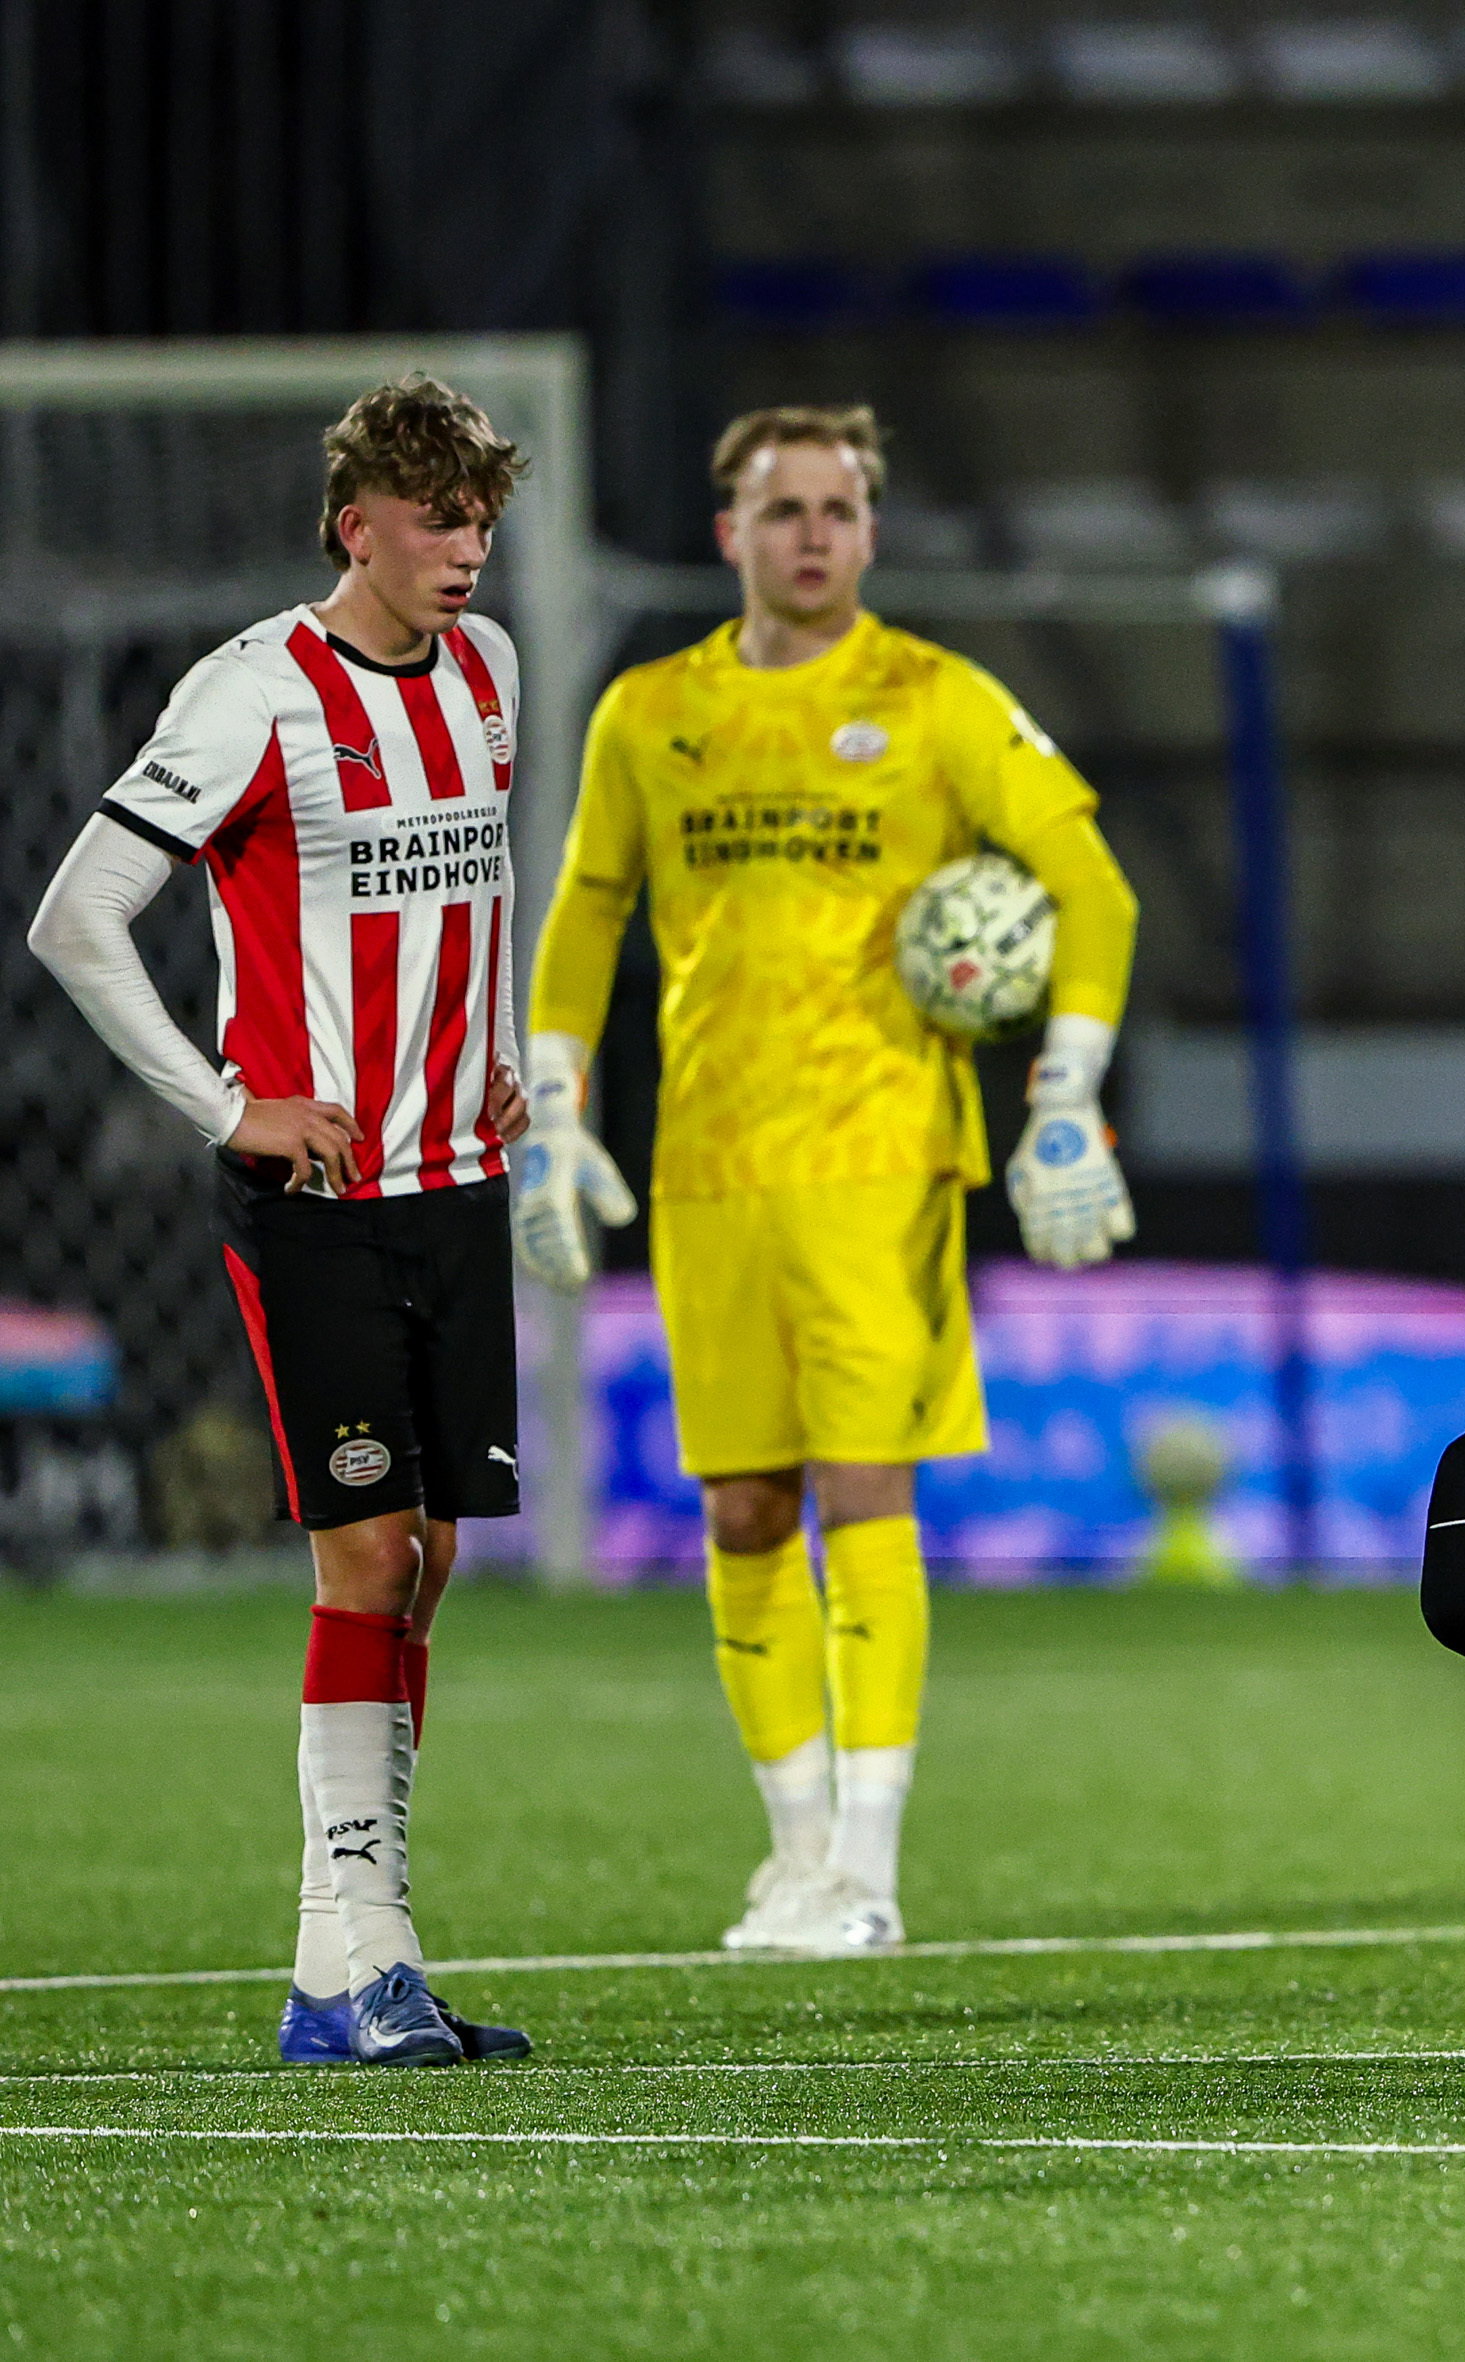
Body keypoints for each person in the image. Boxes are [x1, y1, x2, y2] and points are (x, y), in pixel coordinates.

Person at [516, 404, 1140, 1953]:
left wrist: (1065, 1095)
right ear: (728, 532)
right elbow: (586, 908)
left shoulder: (936, 698)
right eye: (783, 508)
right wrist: (553, 1105)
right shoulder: (650, 711)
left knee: (865, 1487)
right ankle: (793, 1854)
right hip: (709, 1164)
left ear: (869, 531)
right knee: (741, 1506)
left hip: (881, 1158)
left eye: (839, 509)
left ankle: (868, 1864)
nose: (812, 533)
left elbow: (1094, 890)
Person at [26, 374, 538, 2067]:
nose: (467, 548)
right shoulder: (253, 692)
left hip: (454, 1178)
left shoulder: (488, 671)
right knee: (369, 1554)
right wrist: (226, 1104)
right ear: (354, 525)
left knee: (434, 1557)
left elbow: (480, 883)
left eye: (481, 519)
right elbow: (78, 918)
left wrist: (496, 1049)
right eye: (437, 518)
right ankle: (368, 1951)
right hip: (313, 1192)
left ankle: (344, 1970)